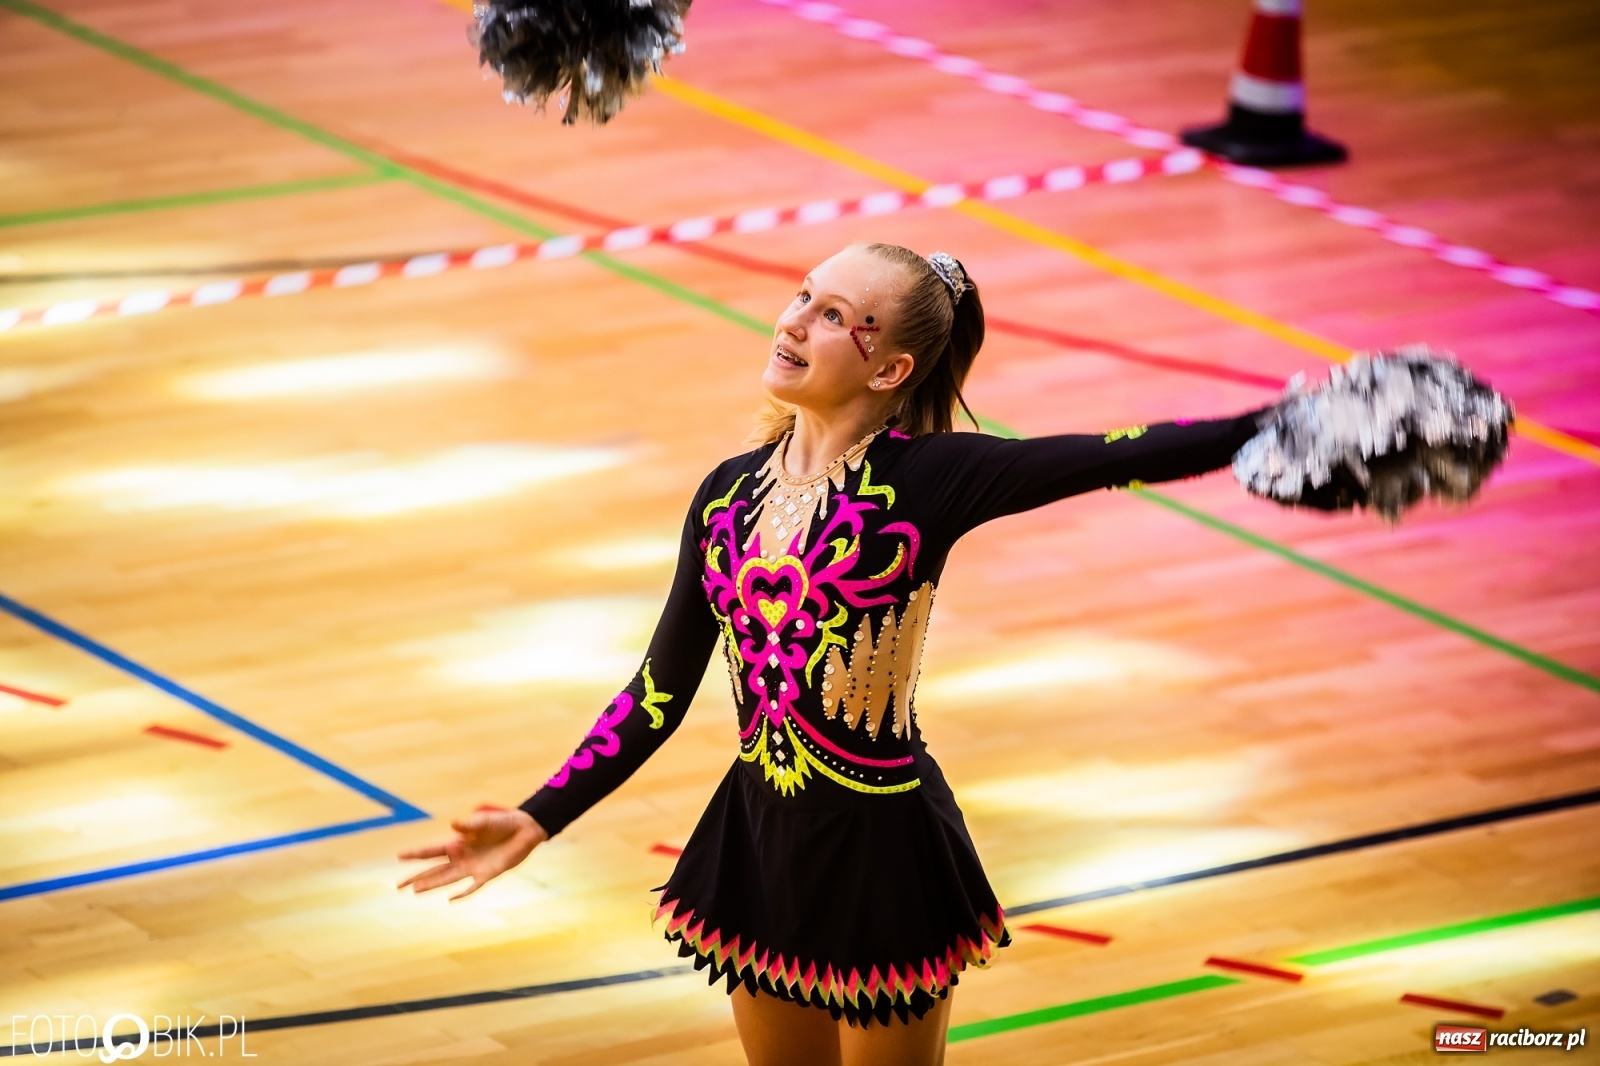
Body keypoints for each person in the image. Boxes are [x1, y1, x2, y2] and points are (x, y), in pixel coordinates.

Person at [399, 242, 1276, 1066]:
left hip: (881, 847)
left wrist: (1284, 420)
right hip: (758, 841)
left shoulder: (930, 478)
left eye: (832, 316)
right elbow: (660, 689)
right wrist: (543, 813)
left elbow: (1115, 455)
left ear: (890, 368)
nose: (793, 321)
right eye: (803, 297)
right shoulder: (725, 497)